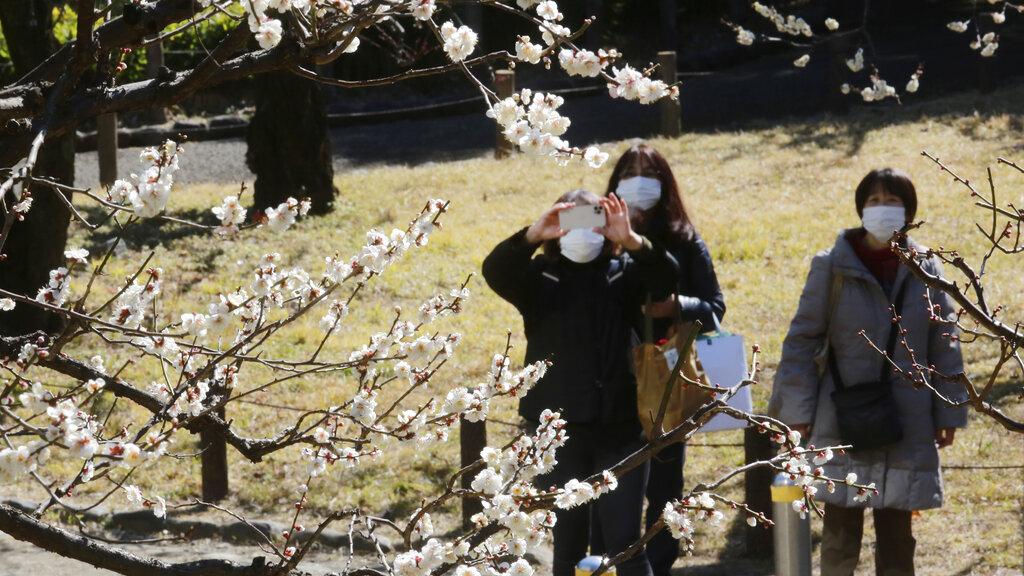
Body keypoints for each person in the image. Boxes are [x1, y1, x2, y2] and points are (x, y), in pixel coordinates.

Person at [768, 168, 967, 576]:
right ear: (861, 208)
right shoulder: (831, 266)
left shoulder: (927, 267)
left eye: (892, 201)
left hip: (907, 417)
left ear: (909, 211)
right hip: (842, 416)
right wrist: (797, 413)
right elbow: (802, 341)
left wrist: (948, 412)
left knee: (897, 539)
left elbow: (944, 341)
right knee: (840, 535)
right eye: (874, 200)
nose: (882, 208)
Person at [482, 189, 677, 576]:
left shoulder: (624, 273)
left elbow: (667, 277)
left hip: (620, 426)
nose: (583, 231)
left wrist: (631, 240)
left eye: (593, 220)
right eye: (573, 221)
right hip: (558, 429)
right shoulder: (540, 278)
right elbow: (495, 271)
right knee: (567, 541)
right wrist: (532, 235)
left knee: (625, 543)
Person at [591, 143, 726, 576]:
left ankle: (659, 564)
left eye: (649, 173)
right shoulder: (596, 225)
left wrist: (676, 306)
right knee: (607, 482)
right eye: (629, 172)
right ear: (614, 183)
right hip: (609, 377)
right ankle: (604, 563)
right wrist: (586, 219)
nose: (638, 181)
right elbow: (556, 228)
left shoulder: (683, 236)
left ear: (665, 183)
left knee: (666, 483)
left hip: (666, 376)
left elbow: (715, 305)